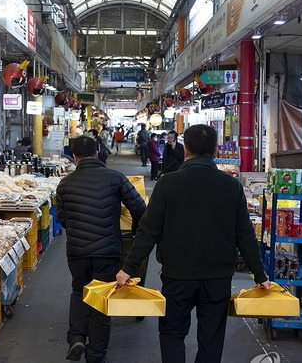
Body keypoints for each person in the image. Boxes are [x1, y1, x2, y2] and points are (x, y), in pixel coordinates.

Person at [116, 124, 270, 363]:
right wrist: (259, 274)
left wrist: (129, 268)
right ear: (215, 149)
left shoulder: (168, 183)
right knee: (211, 338)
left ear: (185, 148)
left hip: (178, 276)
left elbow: (148, 231)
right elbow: (245, 235)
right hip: (217, 277)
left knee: (172, 333)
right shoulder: (231, 186)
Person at [56, 135, 147, 363]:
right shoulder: (115, 178)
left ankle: (76, 337)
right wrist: (134, 230)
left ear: (74, 156)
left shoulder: (64, 184)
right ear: (98, 151)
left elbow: (63, 219)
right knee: (101, 299)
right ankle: (96, 355)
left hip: (77, 251)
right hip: (107, 250)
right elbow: (140, 208)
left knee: (79, 292)